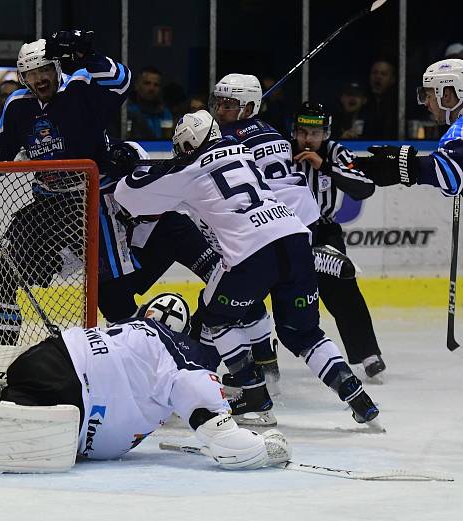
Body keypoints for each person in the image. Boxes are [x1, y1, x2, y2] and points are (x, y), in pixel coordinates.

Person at [113, 110, 380, 427]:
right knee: (304, 334)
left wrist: (149, 167)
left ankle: (253, 393)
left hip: (251, 253)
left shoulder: (189, 172)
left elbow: (127, 195)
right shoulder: (244, 153)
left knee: (214, 317)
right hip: (294, 239)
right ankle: (359, 400)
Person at [0, 293, 291, 472]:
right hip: (72, 402)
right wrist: (272, 448)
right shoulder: (188, 362)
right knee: (13, 423)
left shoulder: (126, 329)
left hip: (46, 357)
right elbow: (233, 450)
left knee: (12, 401)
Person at [0, 30, 130, 347]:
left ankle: (140, 350)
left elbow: (122, 81)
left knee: (111, 294)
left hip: (92, 206)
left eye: (44, 70)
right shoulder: (18, 105)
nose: (38, 79)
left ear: (57, 70)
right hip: (46, 208)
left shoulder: (80, 87)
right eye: (30, 74)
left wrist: (87, 55)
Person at [208, 73, 321, 393]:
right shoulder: (273, 131)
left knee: (239, 295)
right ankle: (266, 361)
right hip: (299, 220)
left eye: (228, 105)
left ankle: (258, 366)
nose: (219, 110)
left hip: (266, 225)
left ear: (247, 107)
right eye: (218, 102)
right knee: (257, 294)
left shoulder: (226, 137)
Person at [290, 101, 386, 380]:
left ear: (326, 133)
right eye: (303, 132)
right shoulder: (282, 150)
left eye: (315, 133)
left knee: (344, 292)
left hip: (324, 232)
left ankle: (368, 353)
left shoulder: (335, 153)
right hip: (285, 231)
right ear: (294, 131)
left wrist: (326, 166)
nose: (308, 139)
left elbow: (365, 187)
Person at [97, 141, 221, 323]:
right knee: (116, 305)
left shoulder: (175, 225)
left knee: (220, 280)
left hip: (162, 234)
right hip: (124, 254)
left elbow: (220, 279)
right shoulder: (103, 216)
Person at [354, 59, 463, 195]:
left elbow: (453, 176)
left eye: (429, 96)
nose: (426, 103)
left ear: (446, 95)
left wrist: (405, 164)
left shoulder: (459, 131)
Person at [126, 66, 174, 140]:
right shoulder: (126, 112)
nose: (152, 88)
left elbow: (167, 141)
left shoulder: (165, 113)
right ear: (136, 85)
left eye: (156, 85)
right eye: (147, 83)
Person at [362, 59, 398, 139]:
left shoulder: (399, 104)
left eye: (383, 74)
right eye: (375, 73)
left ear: (392, 79)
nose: (378, 77)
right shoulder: (361, 100)